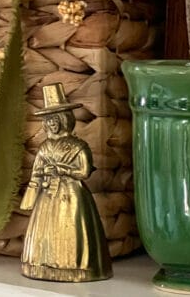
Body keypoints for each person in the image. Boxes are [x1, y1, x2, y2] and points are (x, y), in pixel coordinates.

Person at [20, 82, 112, 282]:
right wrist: (34, 188)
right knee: (46, 229)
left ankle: (77, 266)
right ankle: (43, 264)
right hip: (47, 195)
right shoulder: (44, 147)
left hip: (72, 195)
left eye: (55, 119)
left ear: (65, 120)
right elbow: (36, 172)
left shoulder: (79, 146)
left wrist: (60, 169)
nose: (52, 123)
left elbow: (84, 171)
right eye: (49, 120)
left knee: (73, 227)